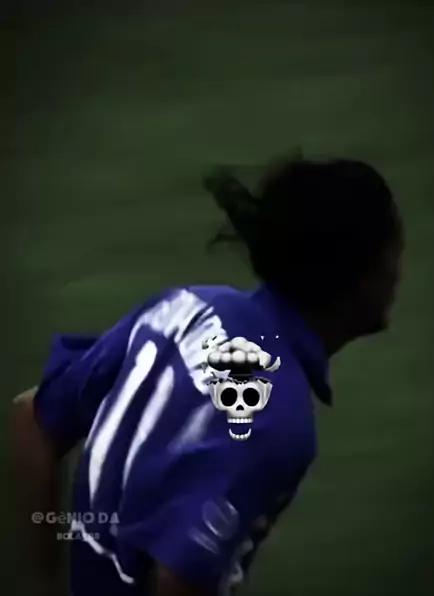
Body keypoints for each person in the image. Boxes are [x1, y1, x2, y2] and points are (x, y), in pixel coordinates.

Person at [12, 154, 404, 596]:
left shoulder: (184, 309)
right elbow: (178, 580)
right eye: (393, 251)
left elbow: (33, 420)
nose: (399, 270)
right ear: (359, 276)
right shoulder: (277, 419)